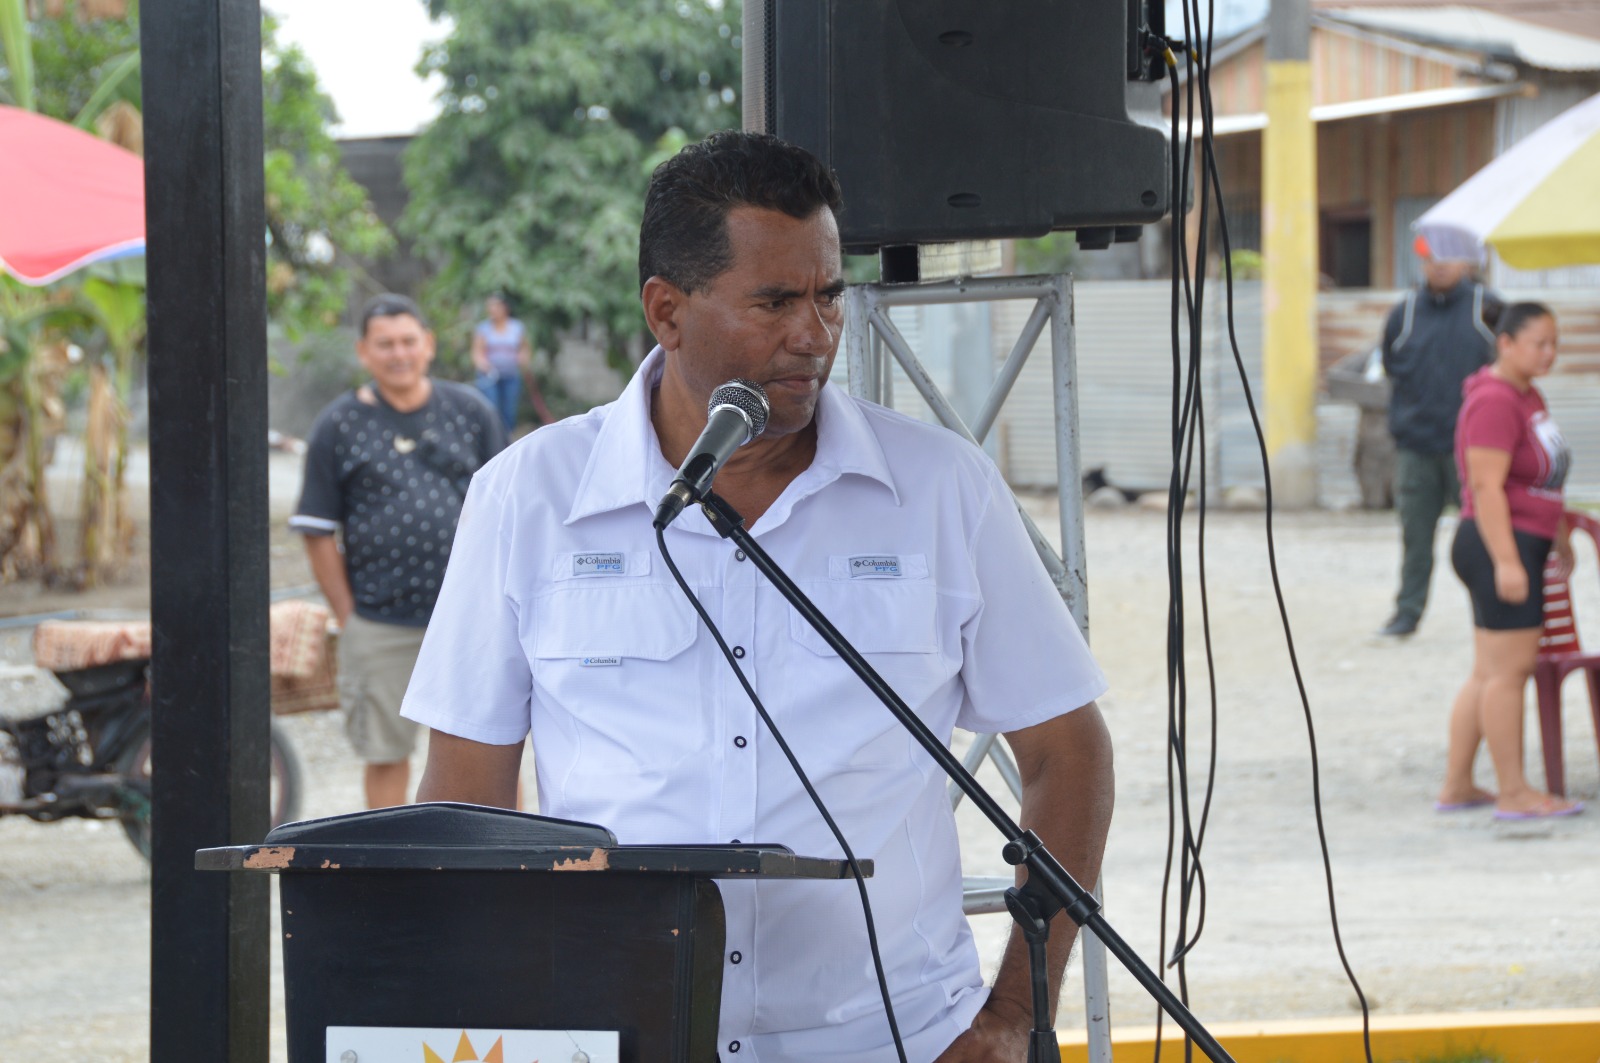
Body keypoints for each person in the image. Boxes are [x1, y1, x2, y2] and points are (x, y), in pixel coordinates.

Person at [401, 131, 1115, 1062]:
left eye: (829, 296)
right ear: (666, 310)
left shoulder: (942, 487)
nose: (813, 334)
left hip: (893, 1037)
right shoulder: (526, 496)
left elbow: (1068, 752)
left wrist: (1015, 1012)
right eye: (775, 301)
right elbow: (467, 797)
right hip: (619, 1031)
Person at [291, 294, 507, 808]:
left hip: (471, 622)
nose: (399, 354)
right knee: (386, 755)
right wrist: (349, 616)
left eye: (408, 341)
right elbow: (317, 529)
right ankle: (393, 861)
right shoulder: (338, 425)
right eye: (385, 344)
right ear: (364, 351)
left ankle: (501, 860)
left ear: (428, 345)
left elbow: (509, 509)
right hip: (380, 623)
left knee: (490, 754)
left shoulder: (471, 413)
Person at [1437, 302, 1580, 820]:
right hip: (1498, 542)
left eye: (1554, 343)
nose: (1549, 353)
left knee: (1487, 672)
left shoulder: (1527, 395)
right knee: (1510, 673)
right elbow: (1486, 486)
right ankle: (1515, 792)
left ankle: (1457, 786)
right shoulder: (1494, 401)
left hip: (1521, 540)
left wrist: (1558, 533)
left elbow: (1541, 476)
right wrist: (1508, 561)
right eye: (1539, 343)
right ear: (1506, 343)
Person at [1377, 244, 1501, 637]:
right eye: (1432, 258)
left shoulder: (1489, 309)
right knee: (1415, 538)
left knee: (1483, 536)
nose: (1440, 265)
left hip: (1476, 450)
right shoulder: (1405, 313)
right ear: (1421, 261)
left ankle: (1491, 614)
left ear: (1466, 261)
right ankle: (1406, 614)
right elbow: (1391, 365)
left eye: (1448, 256)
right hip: (1416, 447)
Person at [471, 292, 532, 433]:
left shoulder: (516, 327)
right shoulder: (483, 328)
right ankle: (491, 437)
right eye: (490, 306)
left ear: (505, 308)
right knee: (490, 407)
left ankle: (507, 438)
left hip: (511, 375)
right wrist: (483, 364)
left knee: (509, 410)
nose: (493, 309)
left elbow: (524, 348)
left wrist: (523, 358)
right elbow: (476, 352)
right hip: (489, 376)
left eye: (496, 306)